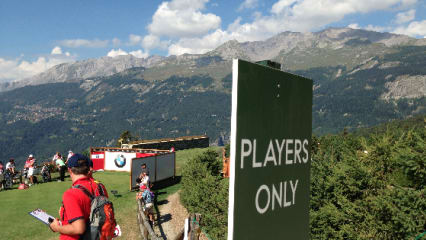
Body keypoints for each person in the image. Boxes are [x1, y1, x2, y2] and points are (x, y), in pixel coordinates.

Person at [49, 153, 109, 240]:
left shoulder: (71, 194)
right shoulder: (100, 186)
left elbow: (78, 229)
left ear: (70, 170)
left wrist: (56, 227)